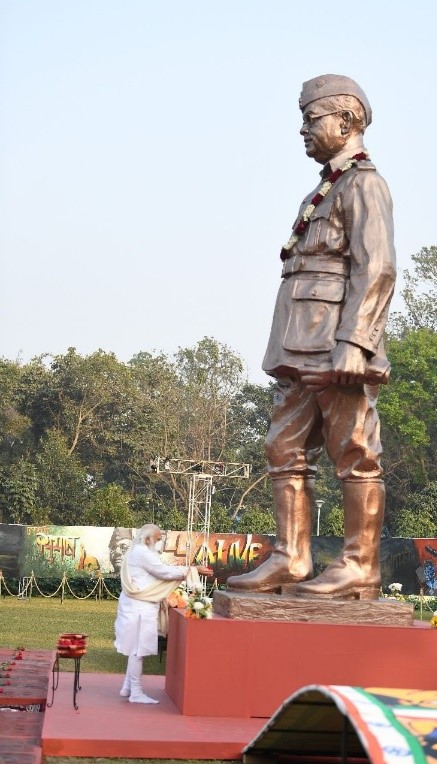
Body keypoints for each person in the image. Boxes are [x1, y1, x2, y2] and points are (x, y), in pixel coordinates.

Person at [227, 74, 396, 600]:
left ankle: (357, 565)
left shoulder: (364, 184)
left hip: (336, 347)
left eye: (311, 118)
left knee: (354, 450)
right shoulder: (322, 190)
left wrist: (356, 342)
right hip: (299, 346)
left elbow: (379, 268)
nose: (303, 129)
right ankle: (290, 556)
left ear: (346, 121)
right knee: (284, 446)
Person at [114, 523, 212, 704]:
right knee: (138, 650)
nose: (160, 543)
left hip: (136, 605)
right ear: (147, 538)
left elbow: (159, 571)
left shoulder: (136, 551)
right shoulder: (142, 552)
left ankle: (127, 687)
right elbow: (164, 572)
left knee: (135, 649)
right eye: (158, 539)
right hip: (140, 607)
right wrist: (193, 570)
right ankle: (135, 692)